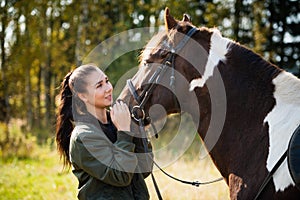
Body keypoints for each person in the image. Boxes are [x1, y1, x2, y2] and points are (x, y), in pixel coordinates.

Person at [55, 63, 152, 200]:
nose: (108, 88)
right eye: (99, 85)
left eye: (107, 81)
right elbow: (121, 176)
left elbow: (145, 169)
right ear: (83, 96)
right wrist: (124, 133)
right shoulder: (83, 137)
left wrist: (135, 127)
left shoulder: (119, 121)